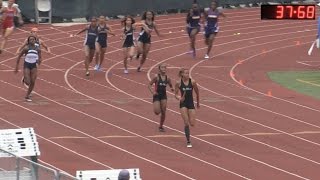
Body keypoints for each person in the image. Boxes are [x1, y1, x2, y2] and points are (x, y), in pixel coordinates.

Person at [175, 68, 200, 148]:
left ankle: (189, 116)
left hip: (191, 103)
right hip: (183, 103)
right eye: (186, 73)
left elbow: (197, 92)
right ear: (182, 74)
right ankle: (188, 141)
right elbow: (175, 94)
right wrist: (179, 98)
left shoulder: (192, 82)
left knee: (192, 123)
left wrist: (198, 103)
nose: (187, 74)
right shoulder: (178, 83)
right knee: (186, 123)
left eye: (188, 73)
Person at [15, 35, 41, 102]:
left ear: (35, 40)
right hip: (27, 65)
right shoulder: (26, 48)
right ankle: (24, 80)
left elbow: (40, 57)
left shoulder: (38, 49)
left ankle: (27, 96)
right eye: (30, 40)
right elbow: (19, 57)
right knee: (28, 81)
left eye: (33, 39)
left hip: (34, 66)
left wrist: (38, 63)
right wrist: (16, 67)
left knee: (33, 81)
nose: (32, 41)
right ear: (28, 41)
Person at [148, 64, 174, 132]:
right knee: (157, 112)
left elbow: (170, 85)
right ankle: (157, 107)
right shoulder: (156, 77)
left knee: (163, 111)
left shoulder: (167, 78)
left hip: (163, 96)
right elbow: (149, 85)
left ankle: (161, 126)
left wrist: (172, 88)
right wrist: (152, 92)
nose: (164, 68)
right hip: (156, 95)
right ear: (159, 69)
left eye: (165, 67)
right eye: (162, 67)